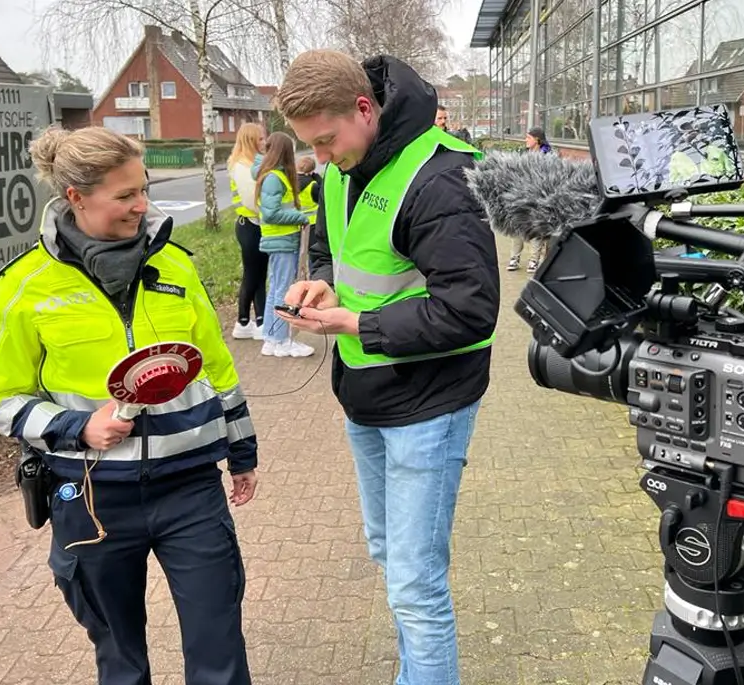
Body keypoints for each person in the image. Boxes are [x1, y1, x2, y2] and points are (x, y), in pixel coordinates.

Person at [0, 125, 259, 685]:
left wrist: (242, 449)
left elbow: (218, 367)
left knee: (219, 649)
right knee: (121, 661)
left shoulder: (174, 265)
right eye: (125, 195)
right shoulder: (25, 286)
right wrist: (78, 426)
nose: (142, 205)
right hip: (93, 498)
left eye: (143, 189)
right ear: (76, 197)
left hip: (190, 489)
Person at [274, 50, 499, 685]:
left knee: (415, 582)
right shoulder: (343, 166)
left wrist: (357, 325)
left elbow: (472, 311)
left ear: (365, 109)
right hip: (366, 396)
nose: (320, 159)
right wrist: (322, 286)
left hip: (428, 403)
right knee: (390, 557)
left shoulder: (440, 178)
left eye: (325, 141)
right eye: (309, 146)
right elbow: (326, 247)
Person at [253, 131, 315, 358]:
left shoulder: (270, 175)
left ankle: (272, 338)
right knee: (283, 290)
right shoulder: (274, 178)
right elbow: (271, 213)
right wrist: (301, 217)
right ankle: (281, 340)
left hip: (279, 240)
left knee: (276, 288)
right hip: (283, 240)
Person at [227, 122, 268, 340]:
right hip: (251, 225)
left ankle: (256, 321)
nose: (264, 142)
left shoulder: (249, 163)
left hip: (253, 224)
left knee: (258, 274)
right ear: (251, 140)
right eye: (260, 139)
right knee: (253, 274)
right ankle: (245, 321)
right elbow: (252, 200)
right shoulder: (242, 166)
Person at [508, 126, 554, 273]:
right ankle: (514, 258)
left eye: (528, 137)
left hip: (539, 197)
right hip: (523, 196)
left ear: (537, 139)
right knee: (518, 227)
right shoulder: (524, 155)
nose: (525, 140)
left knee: (535, 228)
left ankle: (534, 260)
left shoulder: (548, 156)